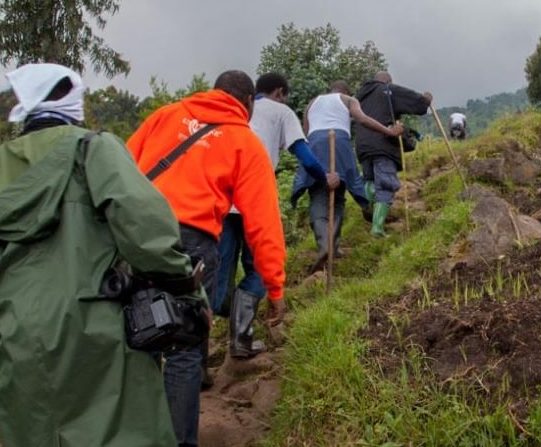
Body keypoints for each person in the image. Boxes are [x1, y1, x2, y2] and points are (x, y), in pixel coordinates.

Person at [0, 63, 205, 446]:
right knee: (120, 430)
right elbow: (145, 230)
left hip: (13, 330)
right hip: (95, 324)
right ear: (72, 97)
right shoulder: (93, 149)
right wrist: (187, 287)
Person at [127, 70, 286, 447]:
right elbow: (263, 223)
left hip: (134, 233)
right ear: (247, 104)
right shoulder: (244, 142)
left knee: (137, 334)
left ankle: (136, 433)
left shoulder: (165, 115)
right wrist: (275, 286)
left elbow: (120, 167)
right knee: (183, 346)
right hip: (190, 241)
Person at [215, 72, 339, 356]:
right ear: (280, 92)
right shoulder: (281, 112)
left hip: (218, 201)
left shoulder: (232, 109)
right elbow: (305, 156)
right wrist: (324, 178)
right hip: (253, 201)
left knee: (217, 276)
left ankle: (197, 359)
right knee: (259, 269)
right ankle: (240, 340)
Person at [292, 80, 403, 271]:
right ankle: (333, 246)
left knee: (318, 194)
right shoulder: (348, 99)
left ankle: (324, 245)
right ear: (345, 91)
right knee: (339, 196)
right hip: (340, 143)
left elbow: (305, 132)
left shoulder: (312, 102)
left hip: (315, 144)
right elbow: (362, 119)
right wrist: (389, 131)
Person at [354, 71, 432, 237]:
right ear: (387, 81)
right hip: (383, 144)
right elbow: (416, 103)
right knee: (386, 184)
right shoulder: (387, 90)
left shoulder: (358, 97)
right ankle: (377, 228)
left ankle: (368, 207)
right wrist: (425, 100)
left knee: (368, 178)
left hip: (362, 145)